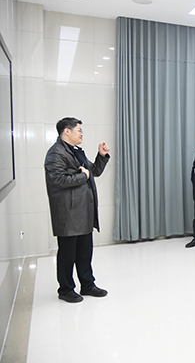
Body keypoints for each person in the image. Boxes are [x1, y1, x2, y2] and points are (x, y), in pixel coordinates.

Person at [44, 117, 110, 303]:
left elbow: (93, 171)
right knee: (67, 255)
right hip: (69, 214)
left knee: (84, 252)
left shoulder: (75, 151)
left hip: (83, 212)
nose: (81, 134)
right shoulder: (56, 153)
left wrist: (101, 156)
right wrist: (83, 176)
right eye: (79, 130)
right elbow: (59, 180)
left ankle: (87, 285)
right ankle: (65, 289)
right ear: (67, 131)